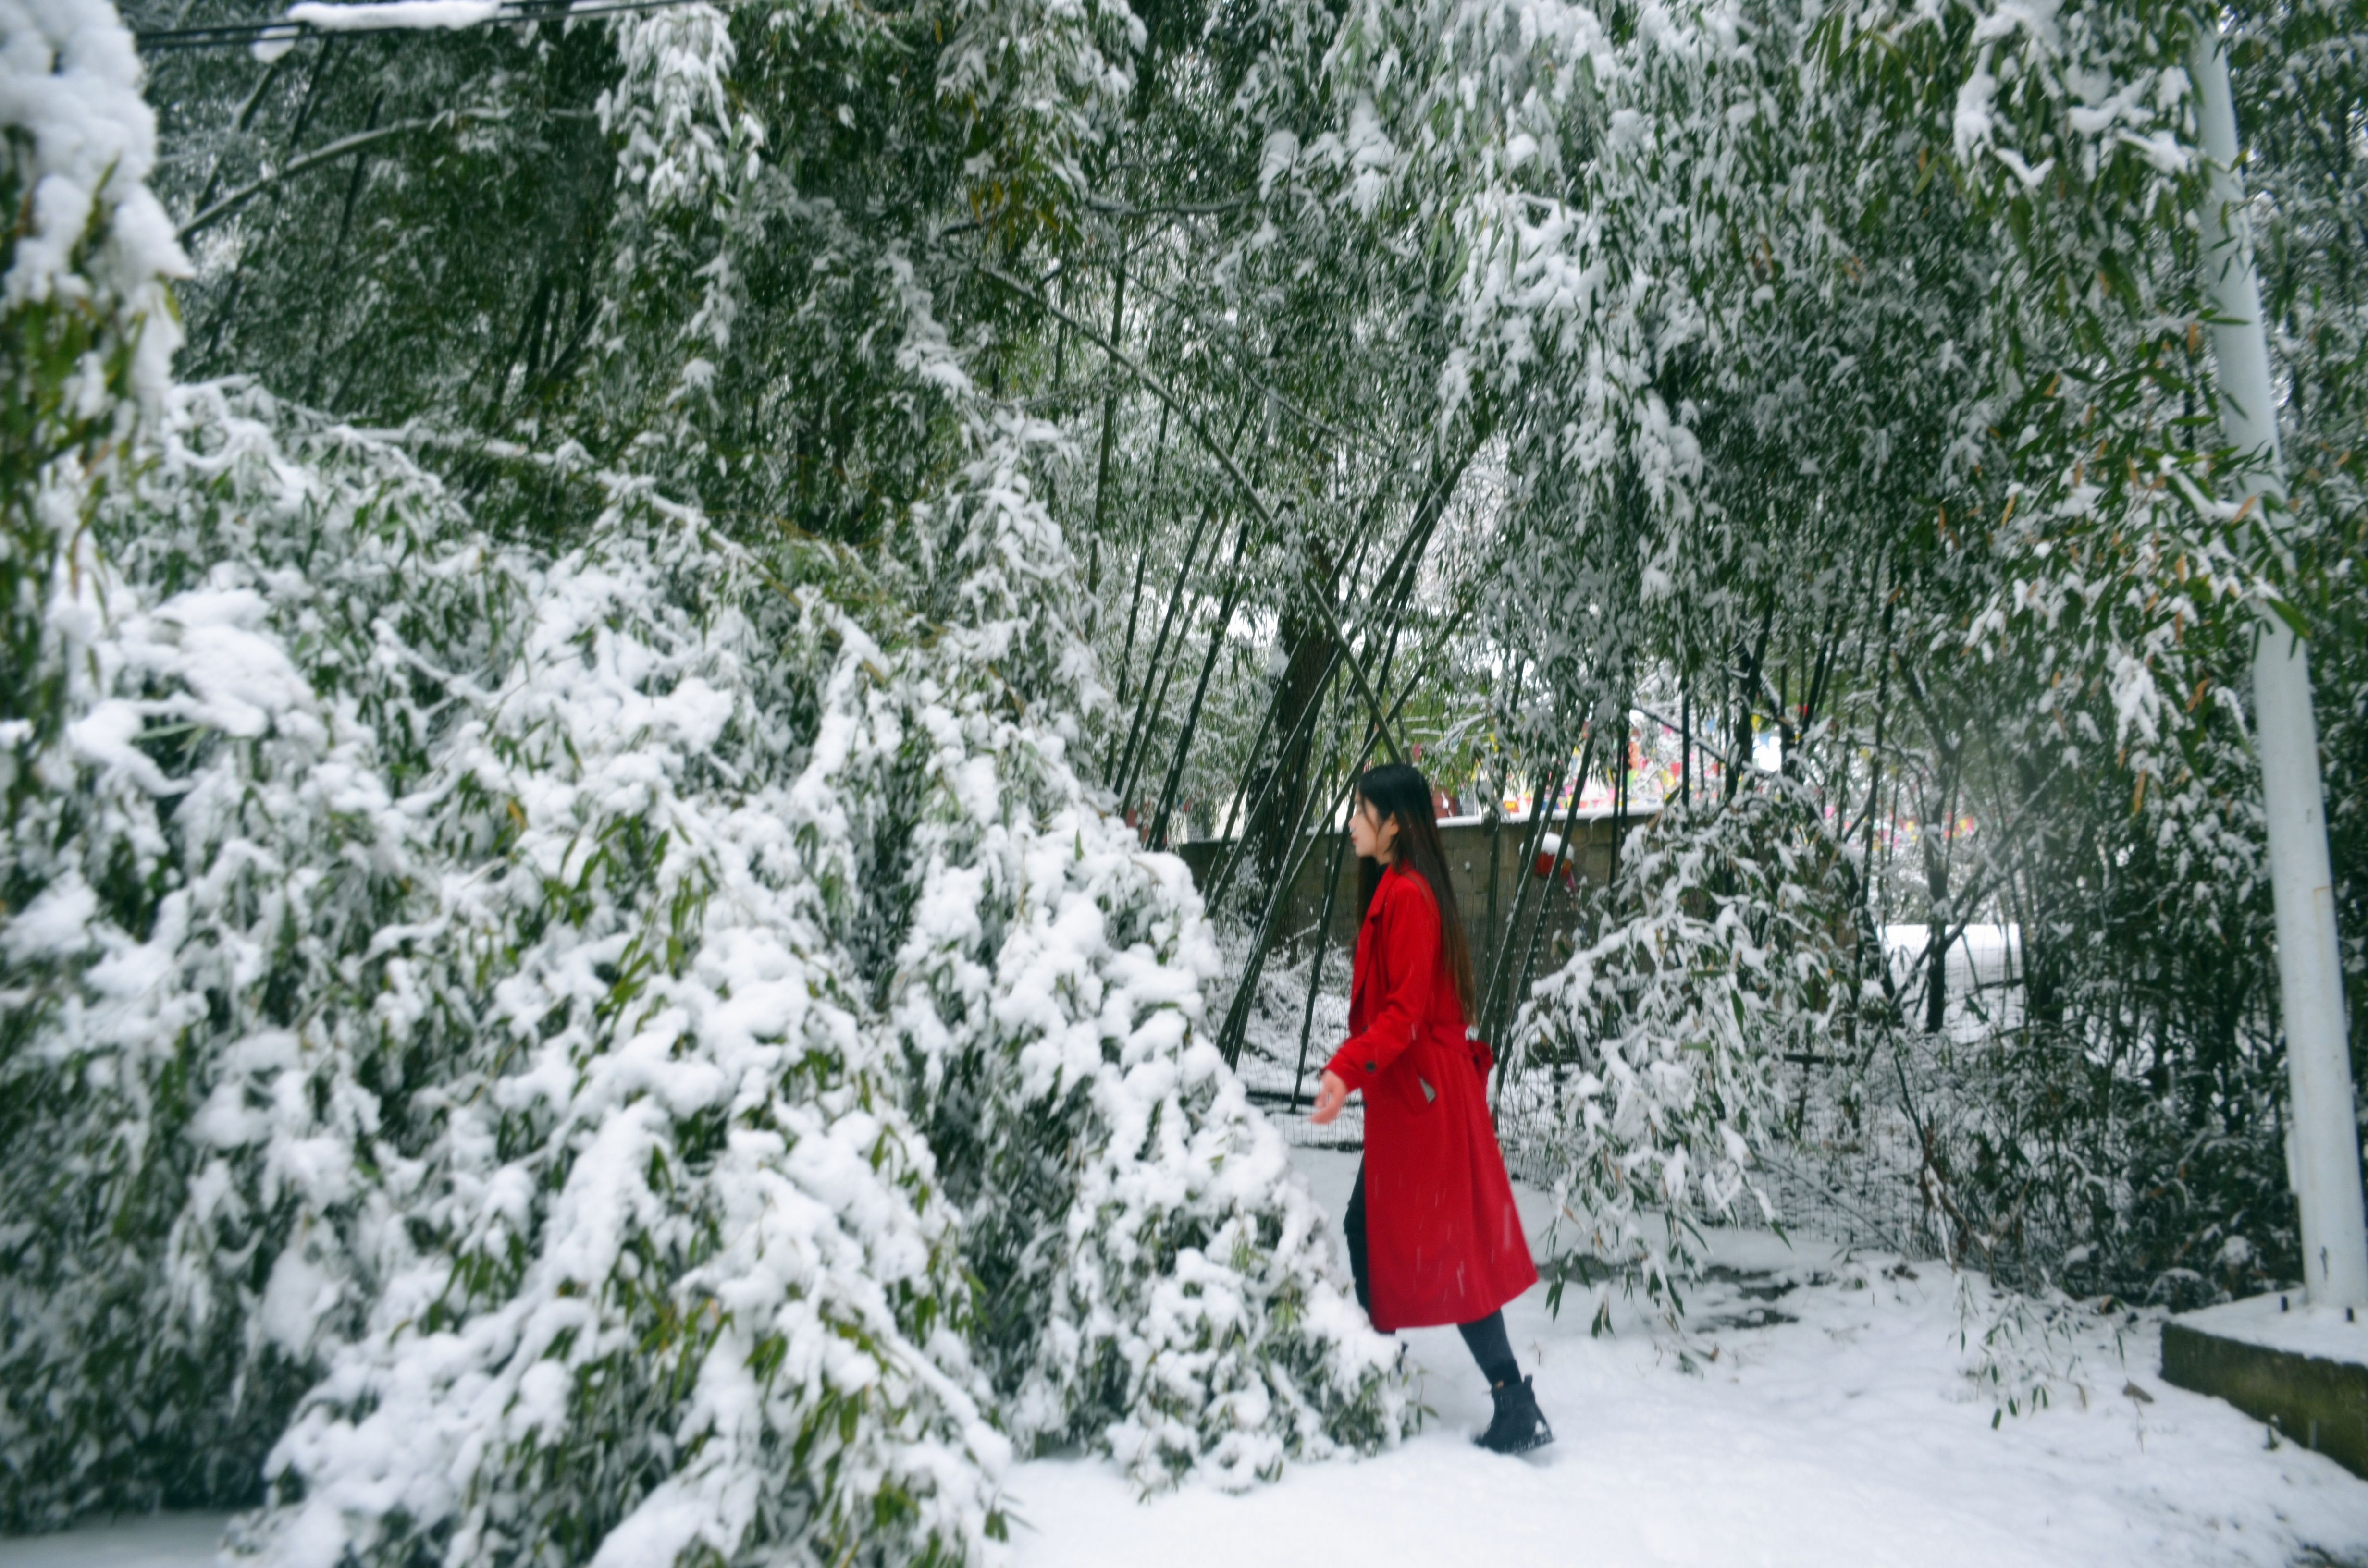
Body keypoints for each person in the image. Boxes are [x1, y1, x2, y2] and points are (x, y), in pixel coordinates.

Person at [1310, 762, 1554, 1455]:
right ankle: (1394, 1375)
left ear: (1394, 823)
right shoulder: (1398, 889)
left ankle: (1485, 1396)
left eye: (1361, 811)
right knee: (1377, 1229)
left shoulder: (1410, 896)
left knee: (1441, 1247)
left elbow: (1404, 1015)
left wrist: (1345, 1070)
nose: (1351, 823)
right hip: (1417, 1097)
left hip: (1426, 1100)